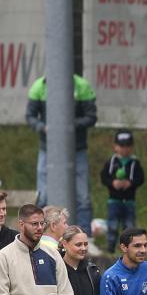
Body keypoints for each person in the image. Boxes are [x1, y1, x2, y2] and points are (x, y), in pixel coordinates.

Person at [26, 74, 98, 234]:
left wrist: (70, 125)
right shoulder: (39, 86)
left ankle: (85, 235)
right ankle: (39, 233)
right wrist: (42, 127)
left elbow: (91, 117)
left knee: (83, 195)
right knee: (42, 194)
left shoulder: (81, 86)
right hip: (48, 148)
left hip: (77, 148)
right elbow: (30, 116)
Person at [0, 204, 74, 295]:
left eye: (42, 223)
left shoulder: (54, 254)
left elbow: (66, 294)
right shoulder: (4, 256)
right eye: (34, 224)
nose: (40, 227)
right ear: (21, 224)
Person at [99, 130, 145, 254]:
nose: (124, 149)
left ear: (131, 147)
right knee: (112, 224)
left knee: (129, 225)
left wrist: (130, 183)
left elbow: (140, 178)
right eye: (121, 146)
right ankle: (110, 247)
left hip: (129, 201)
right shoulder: (111, 162)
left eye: (127, 146)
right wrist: (113, 183)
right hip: (114, 200)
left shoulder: (135, 162)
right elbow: (104, 177)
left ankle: (128, 248)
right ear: (115, 147)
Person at [59, 225, 105, 295]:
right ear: (65, 244)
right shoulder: (55, 269)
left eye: (86, 244)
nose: (83, 248)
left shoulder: (93, 270)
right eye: (78, 244)